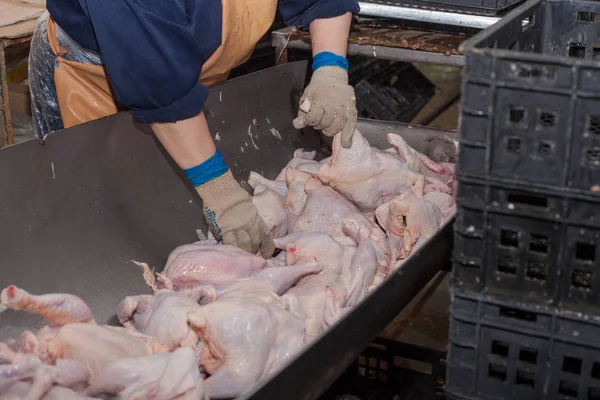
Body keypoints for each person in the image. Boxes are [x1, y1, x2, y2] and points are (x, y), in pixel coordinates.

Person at [28, 0, 360, 259]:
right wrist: (220, 193)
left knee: (173, 215)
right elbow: (162, 85)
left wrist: (331, 67)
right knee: (109, 230)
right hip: (96, 77)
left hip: (184, 80)